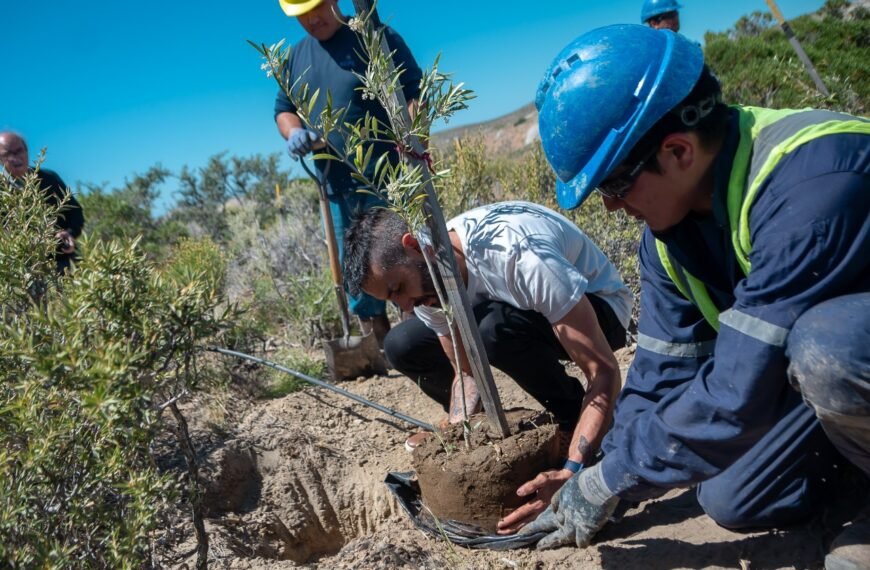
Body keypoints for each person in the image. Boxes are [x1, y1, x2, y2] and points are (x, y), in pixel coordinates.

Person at [526, 24, 870, 568]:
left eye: (613, 185)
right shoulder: (668, 238)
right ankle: (855, 495)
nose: (611, 208)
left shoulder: (811, 183)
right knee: (731, 495)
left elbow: (738, 393)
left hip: (850, 355)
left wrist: (613, 479)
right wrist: (598, 478)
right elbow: (660, 378)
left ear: (679, 150)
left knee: (831, 348)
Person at [343, 200, 634, 533]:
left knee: (493, 331)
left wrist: (572, 470)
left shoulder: (518, 255)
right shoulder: (427, 281)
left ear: (415, 247)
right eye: (391, 299)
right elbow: (465, 372)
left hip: (599, 309)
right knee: (401, 344)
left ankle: (571, 423)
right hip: (519, 311)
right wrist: (458, 437)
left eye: (398, 289)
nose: (404, 305)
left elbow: (605, 371)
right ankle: (491, 429)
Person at [274, 0, 422, 346]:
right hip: (337, 185)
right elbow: (284, 111)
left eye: (317, 8)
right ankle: (376, 347)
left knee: (400, 256)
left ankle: (419, 338)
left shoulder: (372, 35)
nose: (311, 19)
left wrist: (412, 137)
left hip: (389, 176)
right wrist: (294, 132)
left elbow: (414, 91)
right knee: (355, 267)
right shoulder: (296, 58)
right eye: (301, 16)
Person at [0, 131, 84, 274]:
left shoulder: (49, 178)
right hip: (25, 269)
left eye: (19, 151)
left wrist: (69, 233)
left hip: (64, 260)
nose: (15, 158)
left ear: (26, 151)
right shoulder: (2, 190)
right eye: (7, 154)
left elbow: (75, 212)